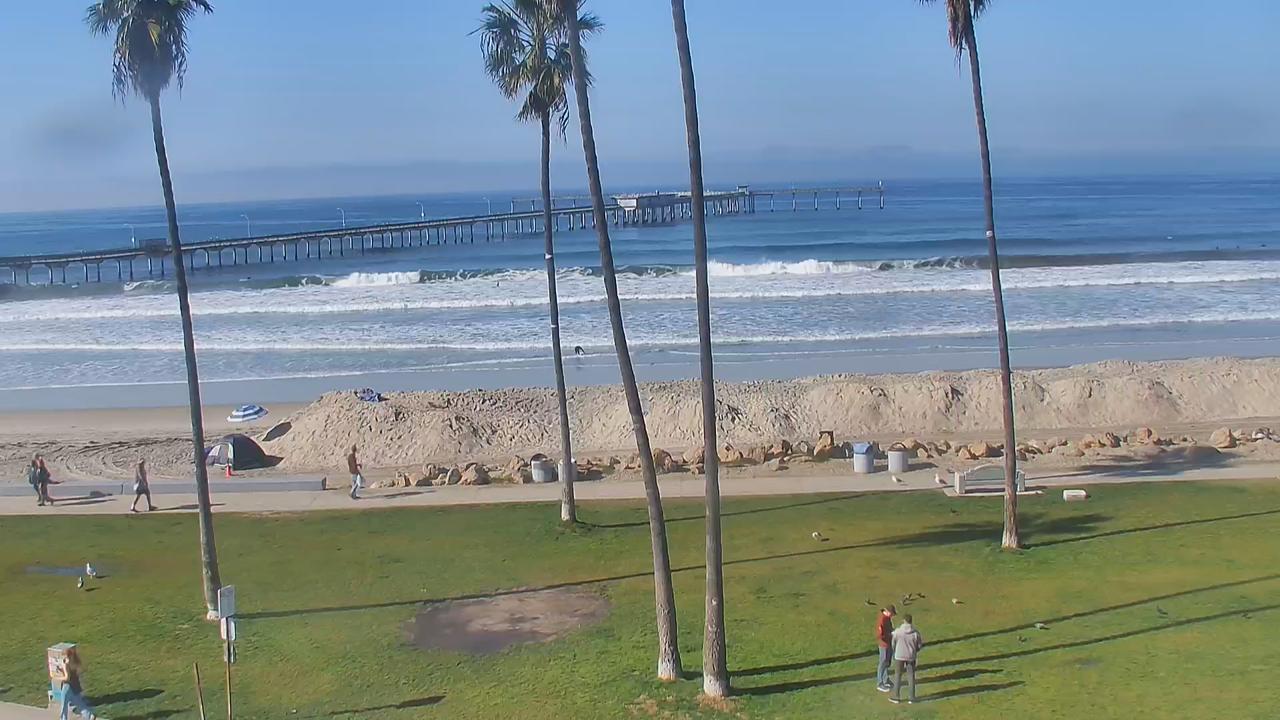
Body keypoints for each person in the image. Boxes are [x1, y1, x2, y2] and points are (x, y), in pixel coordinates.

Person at [889, 612, 925, 705]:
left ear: (903, 621)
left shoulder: (897, 632)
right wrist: (915, 651)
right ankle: (911, 697)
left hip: (899, 656)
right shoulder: (915, 633)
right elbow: (919, 645)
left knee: (898, 675)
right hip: (911, 657)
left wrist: (895, 650)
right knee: (911, 676)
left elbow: (893, 643)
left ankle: (896, 697)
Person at [57, 647, 98, 720]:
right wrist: (62, 670)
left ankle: (63, 719)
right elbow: (73, 673)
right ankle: (89, 715)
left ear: (66, 656)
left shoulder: (66, 664)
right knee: (78, 702)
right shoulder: (74, 662)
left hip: (67, 686)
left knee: (64, 705)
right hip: (75, 685)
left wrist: (57, 678)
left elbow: (67, 678)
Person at [874, 604, 896, 691]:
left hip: (888, 643)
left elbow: (889, 628)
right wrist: (890, 634)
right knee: (883, 663)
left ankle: (886, 679)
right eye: (892, 613)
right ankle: (880, 683)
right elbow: (880, 635)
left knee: (887, 662)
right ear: (887, 612)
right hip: (884, 644)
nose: (892, 616)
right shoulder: (882, 620)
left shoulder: (887, 618)